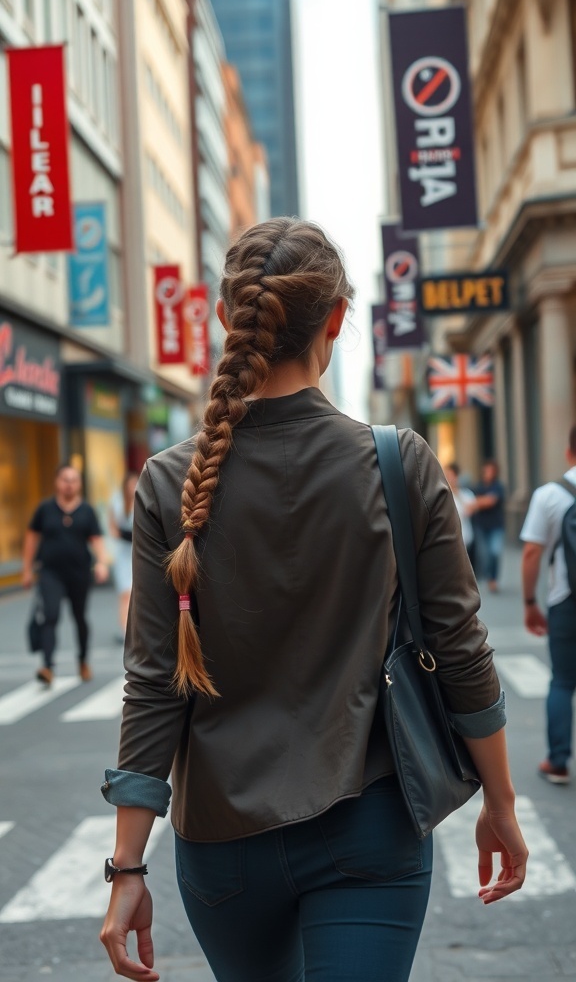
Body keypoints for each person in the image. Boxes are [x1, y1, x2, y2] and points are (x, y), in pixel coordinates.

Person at [99, 218, 527, 982]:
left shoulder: (168, 481)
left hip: (222, 845)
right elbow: (462, 649)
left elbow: (154, 683)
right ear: (335, 319)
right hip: (369, 824)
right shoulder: (398, 464)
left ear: (227, 320)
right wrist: (500, 800)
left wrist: (127, 866)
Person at [520, 425, 576, 785]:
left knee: (562, 681)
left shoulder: (550, 495)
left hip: (566, 601)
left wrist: (529, 603)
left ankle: (557, 762)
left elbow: (531, 552)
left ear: (569, 450)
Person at [22, 464, 110, 685]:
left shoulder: (86, 511)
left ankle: (82, 661)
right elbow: (31, 539)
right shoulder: (45, 509)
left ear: (79, 484)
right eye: (65, 479)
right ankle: (47, 666)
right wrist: (26, 569)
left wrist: (101, 562)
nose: (69, 484)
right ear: (57, 482)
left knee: (79, 618)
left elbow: (97, 540)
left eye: (73, 480)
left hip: (79, 574)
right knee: (50, 616)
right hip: (50, 573)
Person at [109, 472, 139, 644]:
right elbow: (112, 528)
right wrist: (126, 535)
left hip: (138, 552)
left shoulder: (144, 498)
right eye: (130, 484)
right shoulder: (117, 502)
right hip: (122, 553)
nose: (132, 487)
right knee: (125, 593)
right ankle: (125, 630)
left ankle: (137, 629)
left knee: (138, 592)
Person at [474, 459, 506, 592]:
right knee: (485, 554)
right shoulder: (479, 486)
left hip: (496, 526)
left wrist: (480, 502)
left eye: (490, 471)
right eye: (486, 470)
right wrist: (481, 501)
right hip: (482, 526)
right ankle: (489, 577)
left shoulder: (498, 486)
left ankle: (493, 578)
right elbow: (472, 501)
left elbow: (490, 502)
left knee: (495, 552)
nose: (488, 473)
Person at [444, 462, 477, 567]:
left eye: (450, 475)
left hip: (464, 536)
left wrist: (456, 493)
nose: (448, 478)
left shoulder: (466, 494)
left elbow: (470, 510)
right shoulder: (443, 495)